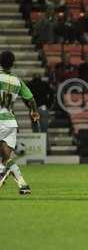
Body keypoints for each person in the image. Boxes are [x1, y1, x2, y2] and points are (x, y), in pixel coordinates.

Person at [0, 51, 39, 195]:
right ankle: (23, 185)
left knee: (3, 161)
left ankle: (1, 173)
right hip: (10, 122)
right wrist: (34, 112)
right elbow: (30, 99)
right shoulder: (17, 81)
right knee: (6, 158)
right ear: (12, 63)